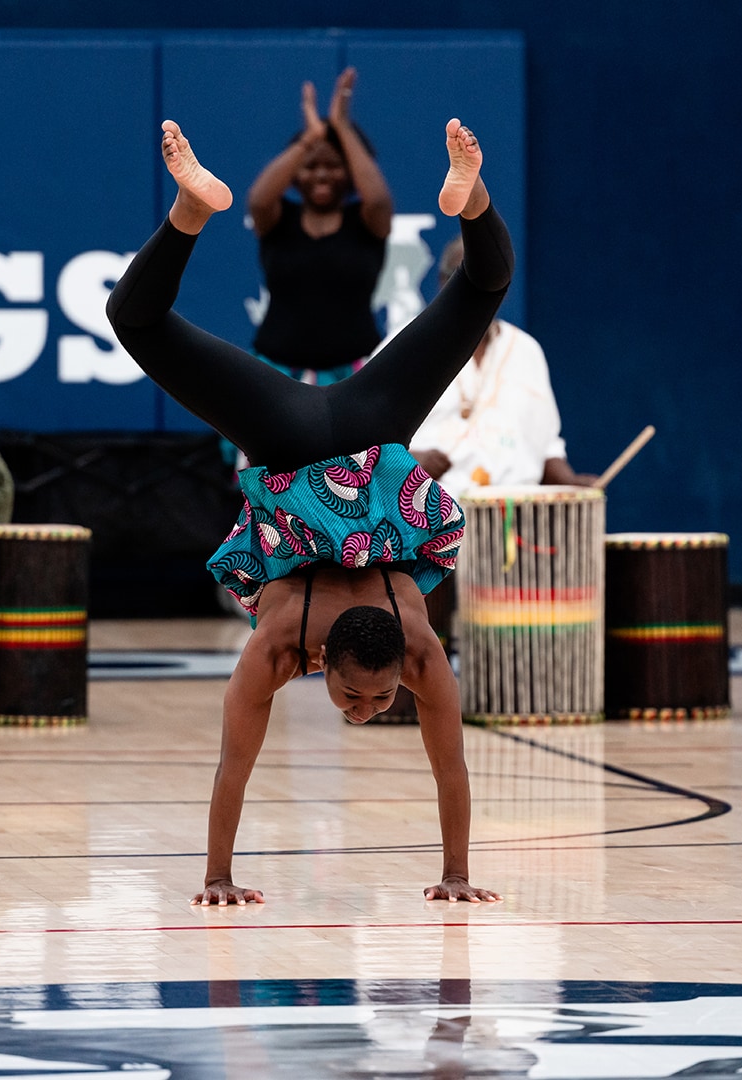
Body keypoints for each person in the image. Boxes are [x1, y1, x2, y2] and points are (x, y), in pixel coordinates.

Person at [108, 116, 507, 906]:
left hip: (304, 435)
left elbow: (242, 765)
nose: (366, 709)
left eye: (369, 697)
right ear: (327, 658)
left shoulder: (362, 648)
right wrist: (216, 878)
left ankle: (193, 211)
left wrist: (459, 876)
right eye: (368, 697)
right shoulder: (321, 646)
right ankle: (471, 198)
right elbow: (445, 765)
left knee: (482, 289)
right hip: (348, 434)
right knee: (482, 290)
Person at [408, 237, 599, 491]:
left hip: (513, 510)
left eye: (488, 277)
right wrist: (409, 462)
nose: (477, 287)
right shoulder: (406, 344)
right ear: (442, 282)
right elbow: (369, 446)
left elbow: (546, 447)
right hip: (430, 507)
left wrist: (571, 485)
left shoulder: (526, 351)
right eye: (463, 277)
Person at [243, 67, 392, 386]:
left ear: (350, 172)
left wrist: (341, 125)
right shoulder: (278, 219)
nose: (322, 174)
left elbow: (379, 200)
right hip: (277, 371)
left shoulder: (367, 221)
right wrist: (309, 138)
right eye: (311, 166)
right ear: (295, 175)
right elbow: (258, 200)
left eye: (333, 165)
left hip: (354, 373)